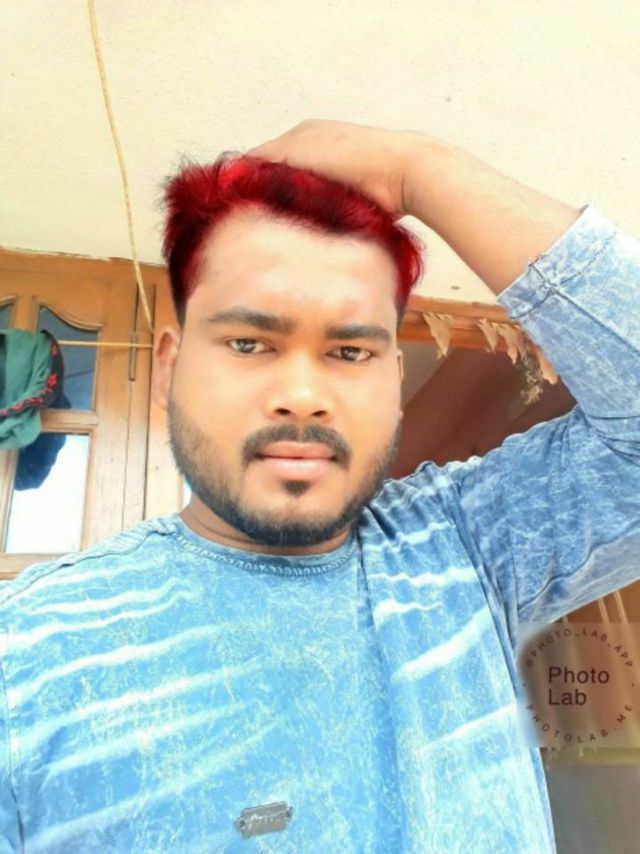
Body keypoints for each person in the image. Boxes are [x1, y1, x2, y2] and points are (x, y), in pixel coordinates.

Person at [1, 119, 639, 853]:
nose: (303, 396)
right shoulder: (27, 652)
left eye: (350, 350)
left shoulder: (466, 547)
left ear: (393, 379)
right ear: (171, 370)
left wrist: (419, 169)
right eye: (249, 343)